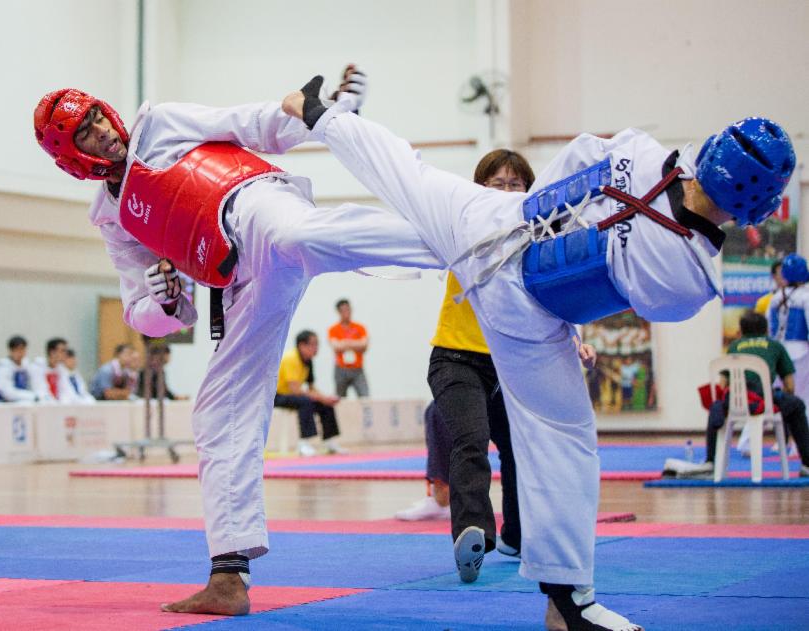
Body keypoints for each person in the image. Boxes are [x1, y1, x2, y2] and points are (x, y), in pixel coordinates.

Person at [283, 79, 795, 631]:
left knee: (409, 175)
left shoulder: (641, 151)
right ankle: (568, 602)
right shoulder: (688, 274)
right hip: (522, 305)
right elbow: (644, 301)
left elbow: (581, 150)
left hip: (493, 218)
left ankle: (315, 122)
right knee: (564, 437)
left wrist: (528, 213)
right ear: (756, 209)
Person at [33, 67, 440, 616]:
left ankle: (470, 231)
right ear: (71, 156)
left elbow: (248, 123)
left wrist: (325, 116)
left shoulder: (160, 124)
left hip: (255, 205)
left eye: (98, 115)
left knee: (300, 235)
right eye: (85, 132)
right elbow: (145, 313)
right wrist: (164, 300)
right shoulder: (112, 219)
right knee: (216, 411)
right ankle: (228, 576)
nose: (103, 129)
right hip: (241, 278)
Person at [394, 149, 596, 587]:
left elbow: (555, 298)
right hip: (455, 358)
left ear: (529, 190)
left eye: (515, 184)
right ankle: (473, 535)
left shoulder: (539, 238)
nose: (505, 192)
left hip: (512, 364)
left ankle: (516, 537)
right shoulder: (460, 226)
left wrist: (577, 338)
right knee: (471, 441)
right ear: (478, 188)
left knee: (521, 451)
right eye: (496, 183)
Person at [699, 311, 809, 477]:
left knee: (716, 407)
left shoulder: (734, 347)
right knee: (797, 405)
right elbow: (790, 386)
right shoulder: (775, 346)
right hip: (763, 402)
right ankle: (807, 464)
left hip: (734, 403)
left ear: (741, 331)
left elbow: (721, 386)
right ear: (766, 330)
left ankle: (711, 462)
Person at [274, 330, 343, 456]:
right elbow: (295, 389)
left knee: (326, 405)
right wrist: (321, 398)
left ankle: (329, 442)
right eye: (313, 344)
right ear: (301, 345)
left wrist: (325, 398)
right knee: (305, 402)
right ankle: (303, 443)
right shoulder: (291, 358)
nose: (316, 348)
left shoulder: (308, 361)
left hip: (294, 396)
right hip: (278, 396)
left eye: (317, 344)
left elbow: (311, 387)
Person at [769, 253, 809, 403]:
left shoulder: (775, 297)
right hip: (801, 352)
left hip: (778, 353)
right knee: (802, 395)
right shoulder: (806, 296)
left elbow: (769, 328)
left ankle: (782, 426)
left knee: (780, 396)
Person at [327, 298, 369, 397]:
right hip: (341, 368)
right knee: (340, 398)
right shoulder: (333, 329)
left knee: (364, 396)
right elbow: (336, 346)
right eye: (343, 310)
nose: (346, 312)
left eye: (348, 309)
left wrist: (345, 343)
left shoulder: (360, 327)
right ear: (338, 312)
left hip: (357, 368)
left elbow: (364, 344)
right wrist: (355, 344)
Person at [0, 335, 37, 403]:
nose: (20, 353)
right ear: (10, 351)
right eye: (17, 350)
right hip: (1, 406)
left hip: (21, 405)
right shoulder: (3, 368)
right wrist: (32, 396)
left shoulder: (26, 366)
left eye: (22, 349)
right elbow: (8, 394)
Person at [30, 337, 70, 403]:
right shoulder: (37, 368)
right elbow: (41, 392)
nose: (65, 354)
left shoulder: (62, 369)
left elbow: (66, 391)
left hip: (58, 407)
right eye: (63, 351)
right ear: (52, 352)